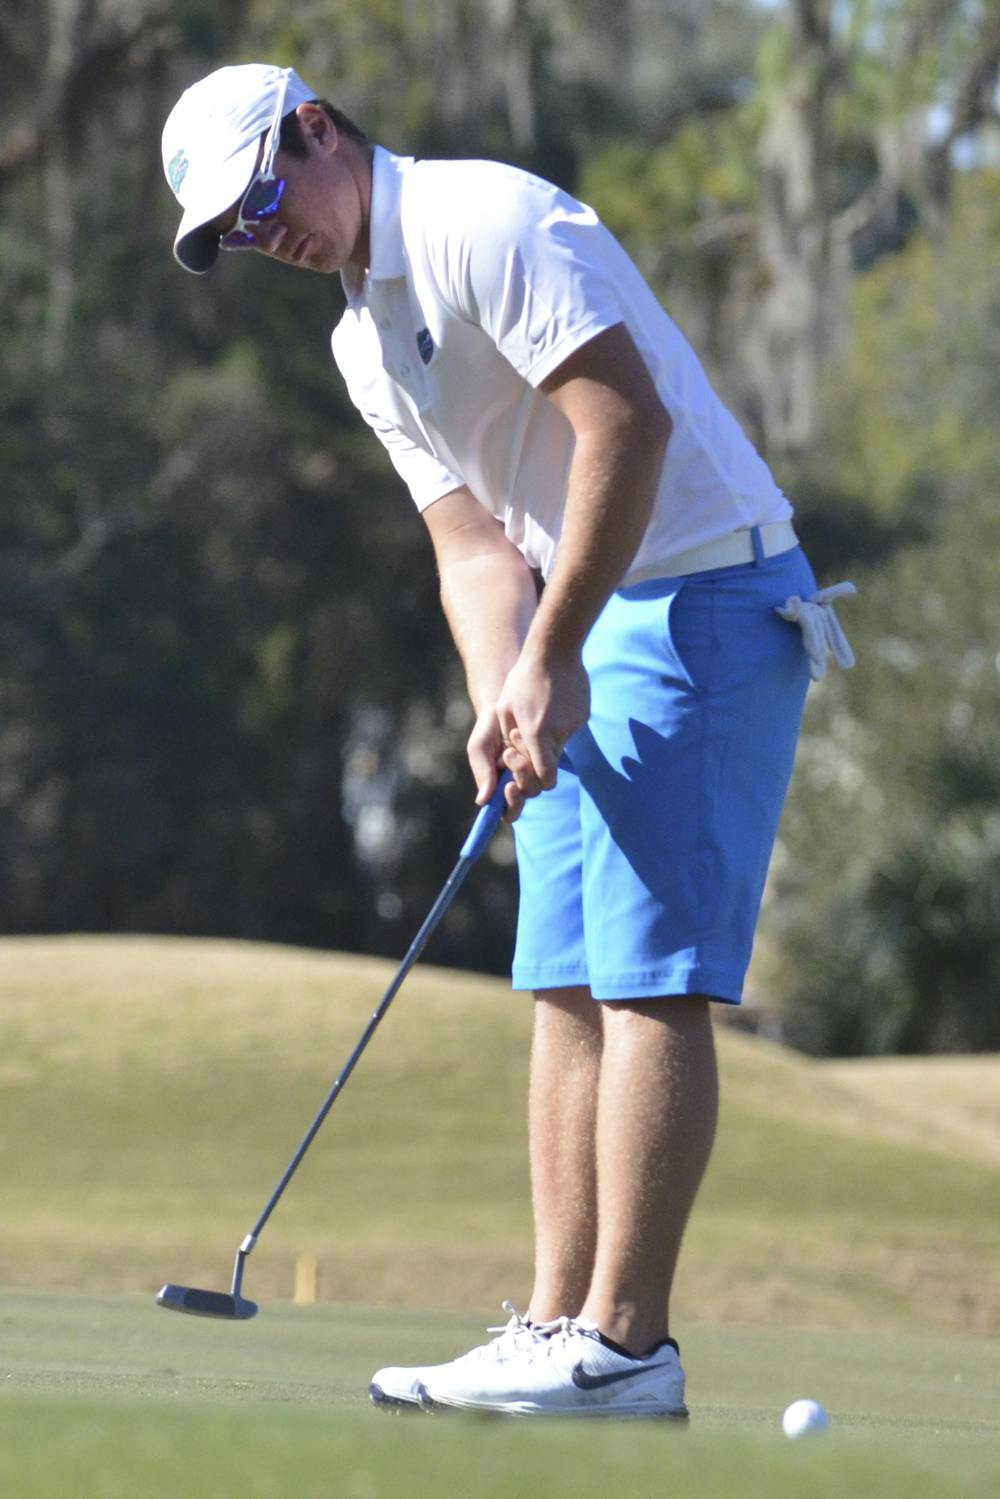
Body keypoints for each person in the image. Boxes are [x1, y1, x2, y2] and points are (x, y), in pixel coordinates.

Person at [162, 62, 853, 1419]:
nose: (268, 238)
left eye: (264, 201)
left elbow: (625, 426)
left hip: (708, 594)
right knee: (565, 974)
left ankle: (628, 1344)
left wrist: (553, 656)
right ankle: (553, 1329)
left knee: (651, 976)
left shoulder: (490, 221)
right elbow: (473, 549)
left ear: (317, 131)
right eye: (238, 235)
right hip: (585, 622)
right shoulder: (363, 341)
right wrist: (506, 690)